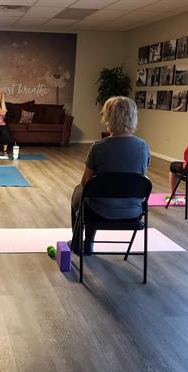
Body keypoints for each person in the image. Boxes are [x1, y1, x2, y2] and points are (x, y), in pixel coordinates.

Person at [70, 96, 150, 254]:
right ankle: (86, 242)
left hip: (99, 209)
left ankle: (81, 242)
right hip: (134, 210)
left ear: (108, 118)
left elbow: (85, 183)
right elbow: (139, 177)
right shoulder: (143, 147)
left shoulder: (98, 147)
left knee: (78, 191)